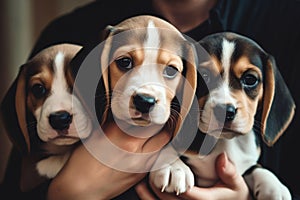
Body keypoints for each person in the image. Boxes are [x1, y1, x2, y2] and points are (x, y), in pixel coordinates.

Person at [1, 0, 299, 199]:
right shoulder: (67, 36)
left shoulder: (286, 22)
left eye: (171, 70)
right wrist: (69, 190)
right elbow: (19, 183)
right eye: (124, 63)